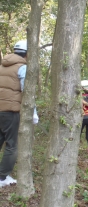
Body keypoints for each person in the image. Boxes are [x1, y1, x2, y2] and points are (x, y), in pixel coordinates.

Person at [0, 40, 37, 187]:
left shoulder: (2, 66)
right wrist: (33, 113)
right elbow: (26, 92)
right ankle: (2, 177)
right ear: (27, 54)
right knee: (12, 145)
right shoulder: (22, 68)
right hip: (11, 112)